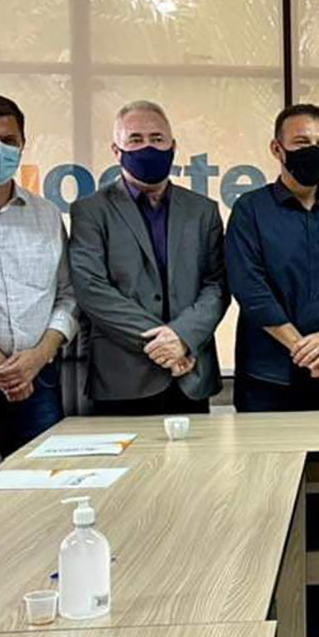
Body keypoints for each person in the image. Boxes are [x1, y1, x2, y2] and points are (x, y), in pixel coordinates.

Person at [69, 101, 229, 415]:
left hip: (190, 374)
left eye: (157, 139)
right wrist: (165, 344)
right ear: (116, 151)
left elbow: (217, 285)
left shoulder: (203, 211)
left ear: (173, 146)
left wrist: (183, 338)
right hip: (122, 378)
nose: (148, 147)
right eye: (135, 139)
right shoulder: (90, 211)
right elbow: (91, 289)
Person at [226, 103, 319, 412]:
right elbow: (250, 289)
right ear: (277, 149)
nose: (313, 151)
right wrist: (305, 350)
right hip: (268, 377)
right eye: (302, 142)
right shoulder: (250, 210)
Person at [0, 94, 76, 480]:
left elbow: (68, 295)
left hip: (39, 384)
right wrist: (4, 368)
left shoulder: (46, 214)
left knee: (48, 488)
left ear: (23, 145)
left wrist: (39, 356)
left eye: (8, 140)